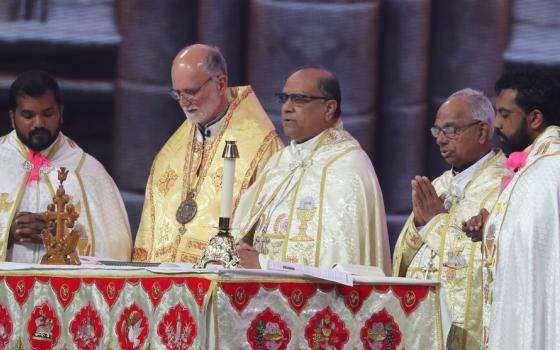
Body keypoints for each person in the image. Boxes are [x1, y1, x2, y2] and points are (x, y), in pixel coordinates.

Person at [232, 67, 391, 274]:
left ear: (329, 108)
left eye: (299, 99)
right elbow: (244, 231)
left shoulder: (348, 166)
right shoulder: (280, 160)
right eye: (284, 98)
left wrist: (265, 265)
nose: (287, 108)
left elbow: (337, 263)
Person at [132, 44, 282, 263]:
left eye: (191, 92)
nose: (183, 103)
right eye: (177, 93)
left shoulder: (262, 148)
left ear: (220, 84)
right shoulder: (168, 155)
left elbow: (266, 238)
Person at [392, 88, 509, 349]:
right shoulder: (440, 184)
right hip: (421, 324)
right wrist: (419, 225)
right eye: (437, 131)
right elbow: (402, 259)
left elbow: (493, 260)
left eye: (451, 130)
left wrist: (435, 224)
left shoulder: (505, 185)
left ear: (481, 131)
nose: (441, 140)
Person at [0, 70, 132, 262]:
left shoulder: (89, 171)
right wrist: (7, 233)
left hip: (64, 290)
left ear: (60, 113)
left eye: (48, 114)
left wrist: (67, 237)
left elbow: (115, 244)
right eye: (28, 115)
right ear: (13, 118)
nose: (39, 123)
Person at [473, 70, 560, 350]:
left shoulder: (545, 171)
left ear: (535, 118)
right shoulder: (539, 166)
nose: (496, 123)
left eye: (505, 114)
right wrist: (493, 226)